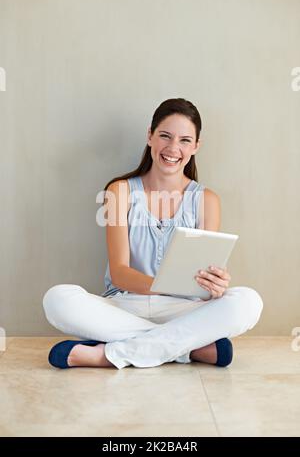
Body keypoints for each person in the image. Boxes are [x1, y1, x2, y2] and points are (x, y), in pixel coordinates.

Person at [42, 98, 263, 370]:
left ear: (196, 147)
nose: (173, 148)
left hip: (182, 311)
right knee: (57, 299)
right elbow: (120, 272)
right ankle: (187, 349)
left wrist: (214, 287)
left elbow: (202, 287)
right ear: (150, 136)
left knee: (248, 302)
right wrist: (170, 285)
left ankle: (109, 355)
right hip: (125, 307)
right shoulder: (119, 191)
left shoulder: (206, 200)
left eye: (184, 140)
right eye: (165, 136)